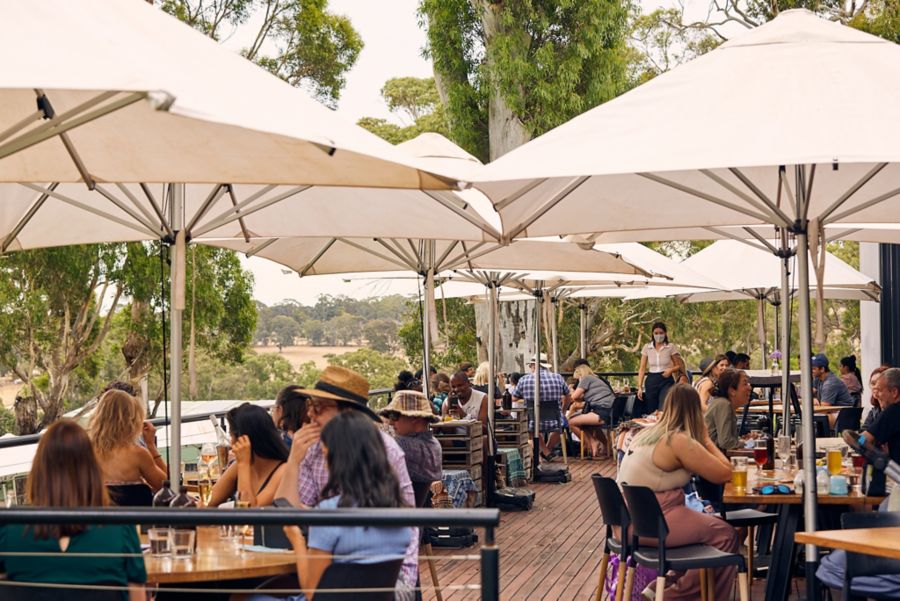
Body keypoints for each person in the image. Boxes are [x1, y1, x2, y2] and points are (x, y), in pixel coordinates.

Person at [273, 366, 418, 595]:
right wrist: (293, 460)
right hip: (329, 562)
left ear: (348, 412)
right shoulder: (312, 448)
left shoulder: (384, 450)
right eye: (310, 405)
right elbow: (287, 510)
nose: (310, 414)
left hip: (387, 579)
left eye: (319, 408)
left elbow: (406, 522)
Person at [248, 412, 412, 601]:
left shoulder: (329, 514)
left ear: (339, 460)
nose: (326, 465)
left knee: (241, 597)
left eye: (326, 457)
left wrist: (297, 539)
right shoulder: (400, 515)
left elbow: (312, 591)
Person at [0, 419, 146, 600]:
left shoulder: (10, 530)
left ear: (39, 470)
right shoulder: (120, 528)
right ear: (92, 469)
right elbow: (137, 595)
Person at [617, 384, 738, 600]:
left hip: (627, 521)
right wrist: (707, 439)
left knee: (706, 528)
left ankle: (663, 587)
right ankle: (678, 596)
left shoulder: (646, 434)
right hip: (654, 521)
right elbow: (725, 473)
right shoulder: (678, 440)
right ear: (695, 411)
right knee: (725, 534)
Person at [90, 389, 167, 504]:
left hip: (95, 519)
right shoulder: (138, 454)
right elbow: (166, 486)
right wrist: (150, 445)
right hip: (135, 520)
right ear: (132, 420)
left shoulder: (85, 451)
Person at [208, 403, 289, 507]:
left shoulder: (283, 471)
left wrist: (243, 465)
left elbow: (249, 513)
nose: (231, 443)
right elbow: (209, 500)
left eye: (231, 436)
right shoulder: (240, 465)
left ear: (244, 439)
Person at [513, 353, 571, 462]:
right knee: (562, 424)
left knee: (529, 424)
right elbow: (568, 397)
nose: (530, 368)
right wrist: (562, 411)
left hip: (532, 422)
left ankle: (545, 451)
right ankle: (547, 451)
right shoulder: (558, 377)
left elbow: (514, 398)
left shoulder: (524, 379)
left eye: (530, 366)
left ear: (534, 365)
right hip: (555, 420)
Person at [379, 390, 443, 485]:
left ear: (414, 417)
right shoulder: (435, 444)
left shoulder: (401, 445)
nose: (391, 422)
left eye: (394, 416)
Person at [567, 363, 616, 457]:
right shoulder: (596, 379)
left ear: (581, 374)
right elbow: (581, 397)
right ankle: (605, 446)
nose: (578, 382)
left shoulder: (586, 379)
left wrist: (570, 390)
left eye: (578, 379)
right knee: (586, 425)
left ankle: (592, 443)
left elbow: (574, 397)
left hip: (602, 412)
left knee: (570, 422)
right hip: (611, 412)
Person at [636, 321, 684, 415]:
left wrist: (671, 370)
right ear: (653, 334)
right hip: (651, 379)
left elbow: (678, 366)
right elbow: (642, 368)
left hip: (666, 379)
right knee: (652, 410)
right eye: (656, 333)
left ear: (665, 333)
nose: (659, 335)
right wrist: (639, 387)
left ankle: (664, 428)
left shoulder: (670, 347)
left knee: (664, 407)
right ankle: (653, 429)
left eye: (661, 333)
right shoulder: (647, 347)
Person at [705, 368, 751, 453]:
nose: (749, 387)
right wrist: (750, 443)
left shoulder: (722, 403)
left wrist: (743, 440)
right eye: (745, 384)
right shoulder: (724, 404)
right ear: (732, 391)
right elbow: (726, 443)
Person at [862, 367, 900, 465]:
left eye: (880, 390)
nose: (876, 395)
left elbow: (862, 441)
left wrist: (855, 438)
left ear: (894, 392)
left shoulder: (892, 412)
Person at [812, 353, 854, 429]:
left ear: (822, 369)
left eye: (814, 368)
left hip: (843, 416)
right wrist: (813, 398)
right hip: (833, 413)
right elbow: (808, 393)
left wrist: (860, 440)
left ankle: (819, 440)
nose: (811, 371)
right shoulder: (818, 379)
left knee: (812, 419)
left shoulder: (830, 383)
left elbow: (824, 410)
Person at [863, 365, 890, 431]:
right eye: (873, 383)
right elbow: (865, 434)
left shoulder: (895, 411)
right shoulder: (874, 412)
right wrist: (860, 441)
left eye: (879, 383)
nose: (875, 387)